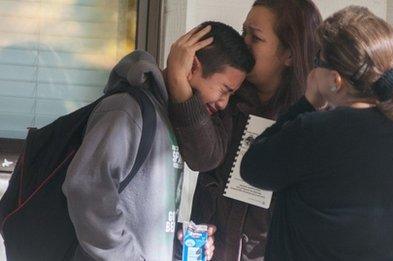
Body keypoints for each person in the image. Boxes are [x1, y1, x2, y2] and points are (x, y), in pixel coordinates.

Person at [240, 6, 393, 261]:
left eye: (317, 62)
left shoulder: (313, 133)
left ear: (335, 80)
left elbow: (253, 167)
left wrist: (307, 103)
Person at [62, 21, 254, 261]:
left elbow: (137, 210)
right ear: (193, 66)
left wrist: (175, 238)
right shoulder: (127, 111)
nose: (224, 103)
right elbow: (87, 192)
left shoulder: (167, 119)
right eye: (224, 89)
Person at [167, 0, 322, 260]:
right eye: (244, 32)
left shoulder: (308, 124)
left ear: (290, 54)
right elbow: (203, 156)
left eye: (256, 37)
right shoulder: (226, 103)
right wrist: (178, 83)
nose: (244, 44)